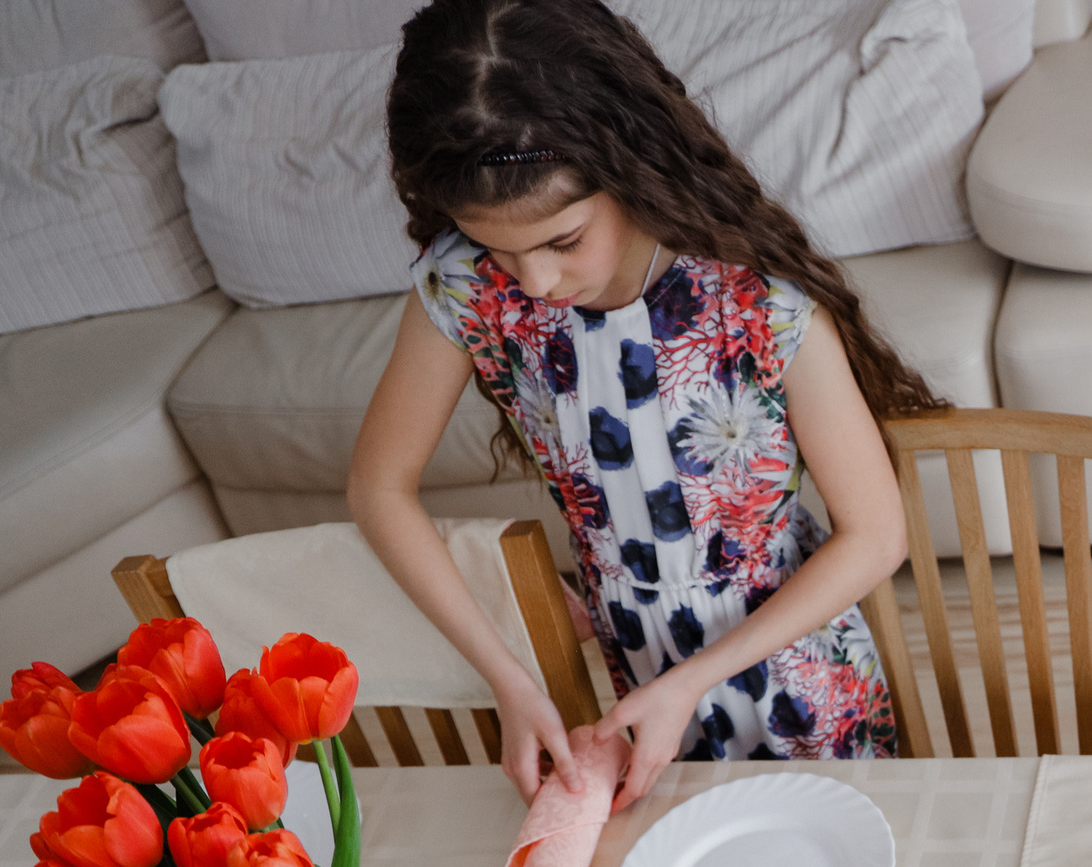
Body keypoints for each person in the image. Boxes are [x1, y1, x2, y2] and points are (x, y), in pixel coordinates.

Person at [350, 0, 937, 806]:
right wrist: (509, 680)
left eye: (562, 240)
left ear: (628, 167)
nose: (536, 283)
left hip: (801, 677)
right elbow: (380, 487)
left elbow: (876, 535)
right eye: (497, 247)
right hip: (636, 683)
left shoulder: (757, 301)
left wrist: (695, 678)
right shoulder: (466, 288)